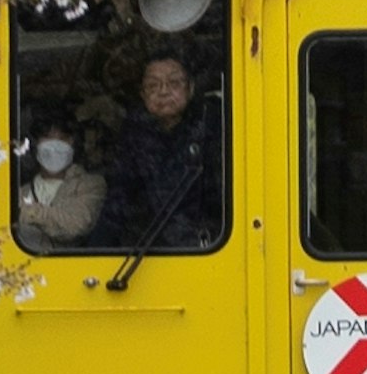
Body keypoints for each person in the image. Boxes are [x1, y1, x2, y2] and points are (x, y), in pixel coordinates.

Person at [107, 54, 219, 249]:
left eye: (174, 83)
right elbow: (118, 203)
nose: (163, 91)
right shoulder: (131, 137)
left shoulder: (213, 128)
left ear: (190, 88)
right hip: (145, 253)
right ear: (142, 94)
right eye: (153, 85)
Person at [16, 136, 106, 247]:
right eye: (48, 137)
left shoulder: (91, 185)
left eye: (61, 138)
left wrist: (27, 211)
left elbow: (75, 225)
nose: (54, 147)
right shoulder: (17, 189)